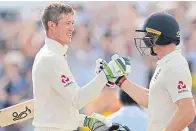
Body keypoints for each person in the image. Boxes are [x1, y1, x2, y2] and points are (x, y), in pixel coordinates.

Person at [32, 3, 130, 131]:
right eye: (67, 23)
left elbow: (58, 108)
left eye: (72, 23)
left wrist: (86, 121)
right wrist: (106, 74)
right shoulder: (51, 58)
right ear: (52, 26)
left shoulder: (54, 55)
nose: (72, 28)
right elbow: (78, 100)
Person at [97, 12, 196, 131]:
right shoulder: (166, 63)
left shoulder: (174, 65)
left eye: (148, 36)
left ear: (158, 37)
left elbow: (188, 111)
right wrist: (120, 80)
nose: (145, 40)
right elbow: (153, 100)